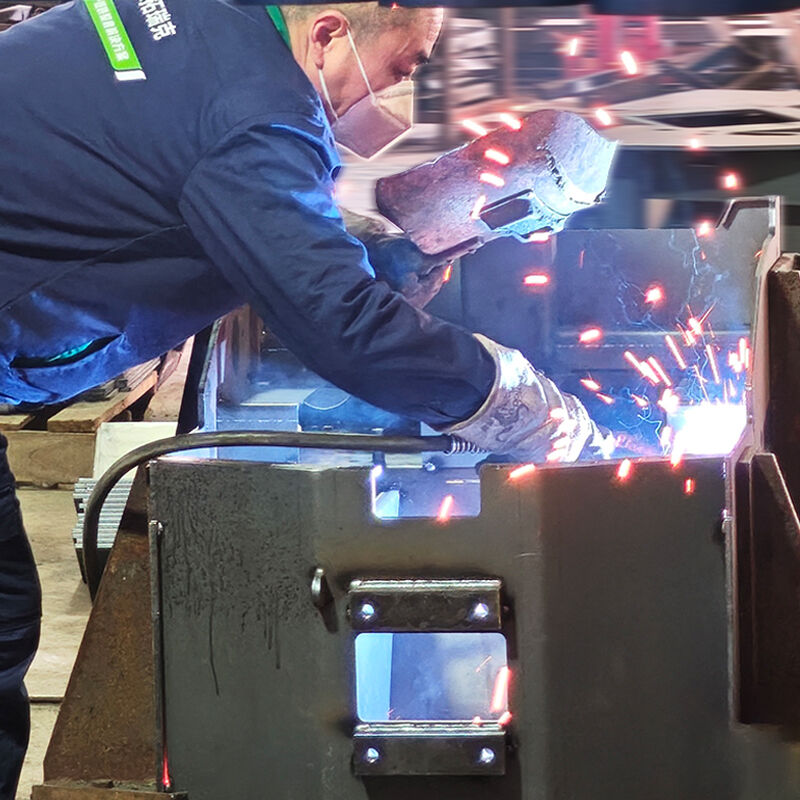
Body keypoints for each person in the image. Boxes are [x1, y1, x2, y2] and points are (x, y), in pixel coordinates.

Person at [0, 2, 608, 795]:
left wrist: (376, 251)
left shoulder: (210, 28)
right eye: (404, 68)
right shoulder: (258, 112)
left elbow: (219, 191)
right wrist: (514, 399)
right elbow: (343, 326)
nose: (404, 92)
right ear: (328, 33)